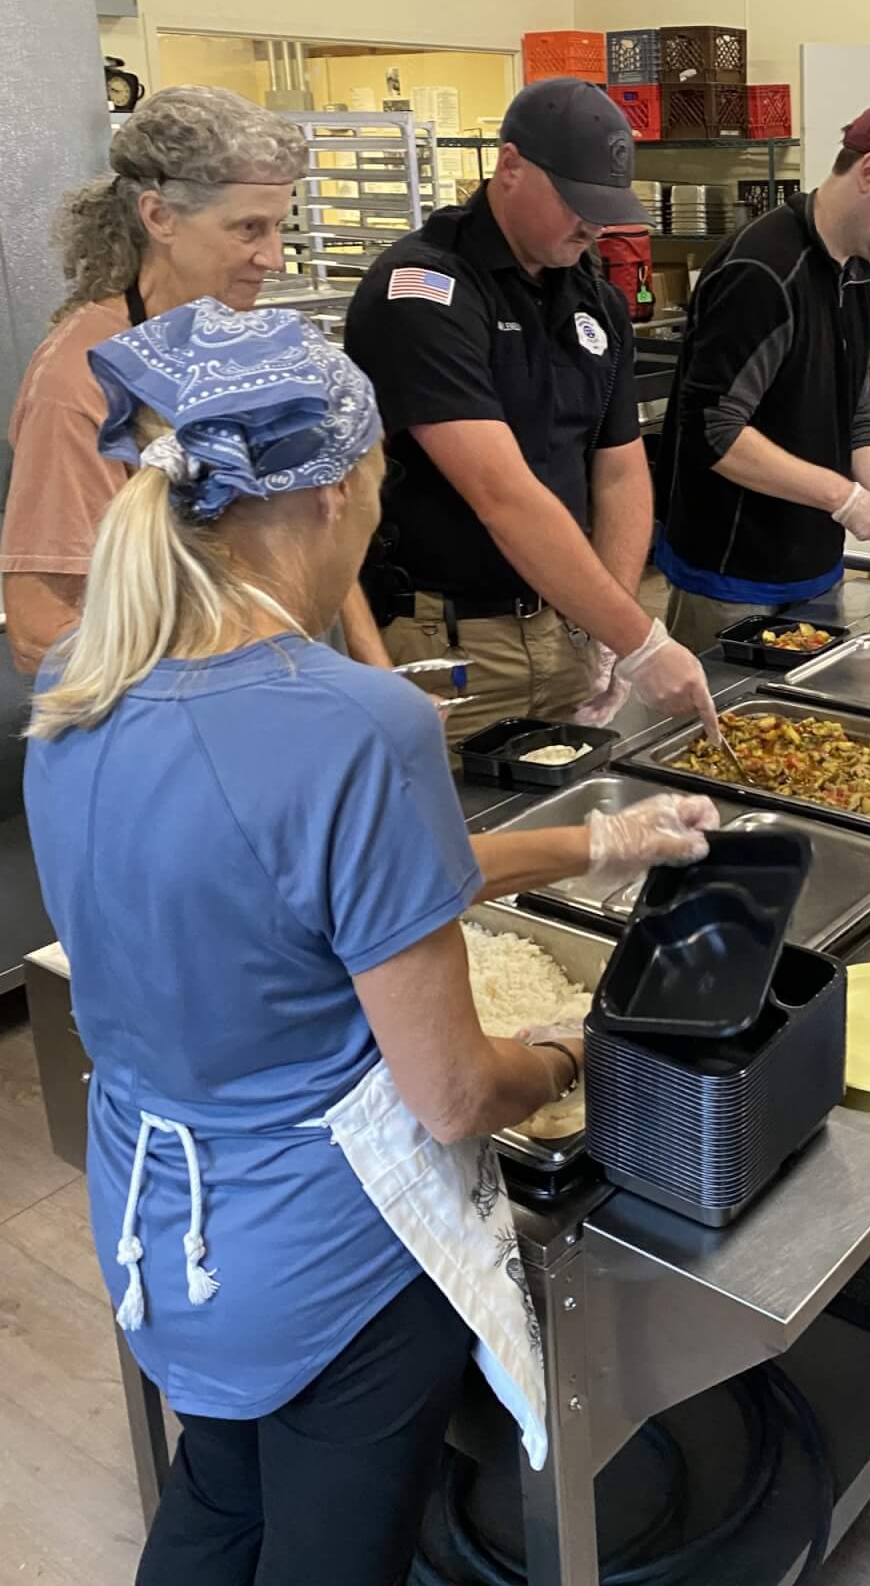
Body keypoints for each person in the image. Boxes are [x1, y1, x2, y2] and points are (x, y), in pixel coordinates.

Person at [22, 301, 719, 1584]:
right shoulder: (354, 724)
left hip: (163, 1218)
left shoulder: (80, 678)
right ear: (342, 486)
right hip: (331, 1258)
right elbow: (451, 1089)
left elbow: (315, 889)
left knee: (219, 1493)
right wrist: (567, 1055)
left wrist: (593, 844)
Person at [345, 77, 717, 741]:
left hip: (569, 629)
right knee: (466, 836)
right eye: (576, 202)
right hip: (456, 648)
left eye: (605, 206)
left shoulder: (592, 297)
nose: (593, 224)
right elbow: (503, 495)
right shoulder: (424, 293)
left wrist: (610, 621)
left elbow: (621, 469)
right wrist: (640, 640)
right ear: (509, 166)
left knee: (577, 828)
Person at [1, 86, 387, 676]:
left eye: (279, 226)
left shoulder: (237, 343)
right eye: (248, 229)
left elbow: (316, 530)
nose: (274, 257)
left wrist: (372, 673)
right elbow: (40, 629)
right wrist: (226, 700)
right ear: (158, 216)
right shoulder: (81, 378)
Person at [653, 99, 870, 654]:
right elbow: (715, 432)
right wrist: (845, 499)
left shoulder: (861, 278)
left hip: (814, 564)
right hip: (734, 571)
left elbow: (856, 420)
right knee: (720, 732)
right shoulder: (763, 271)